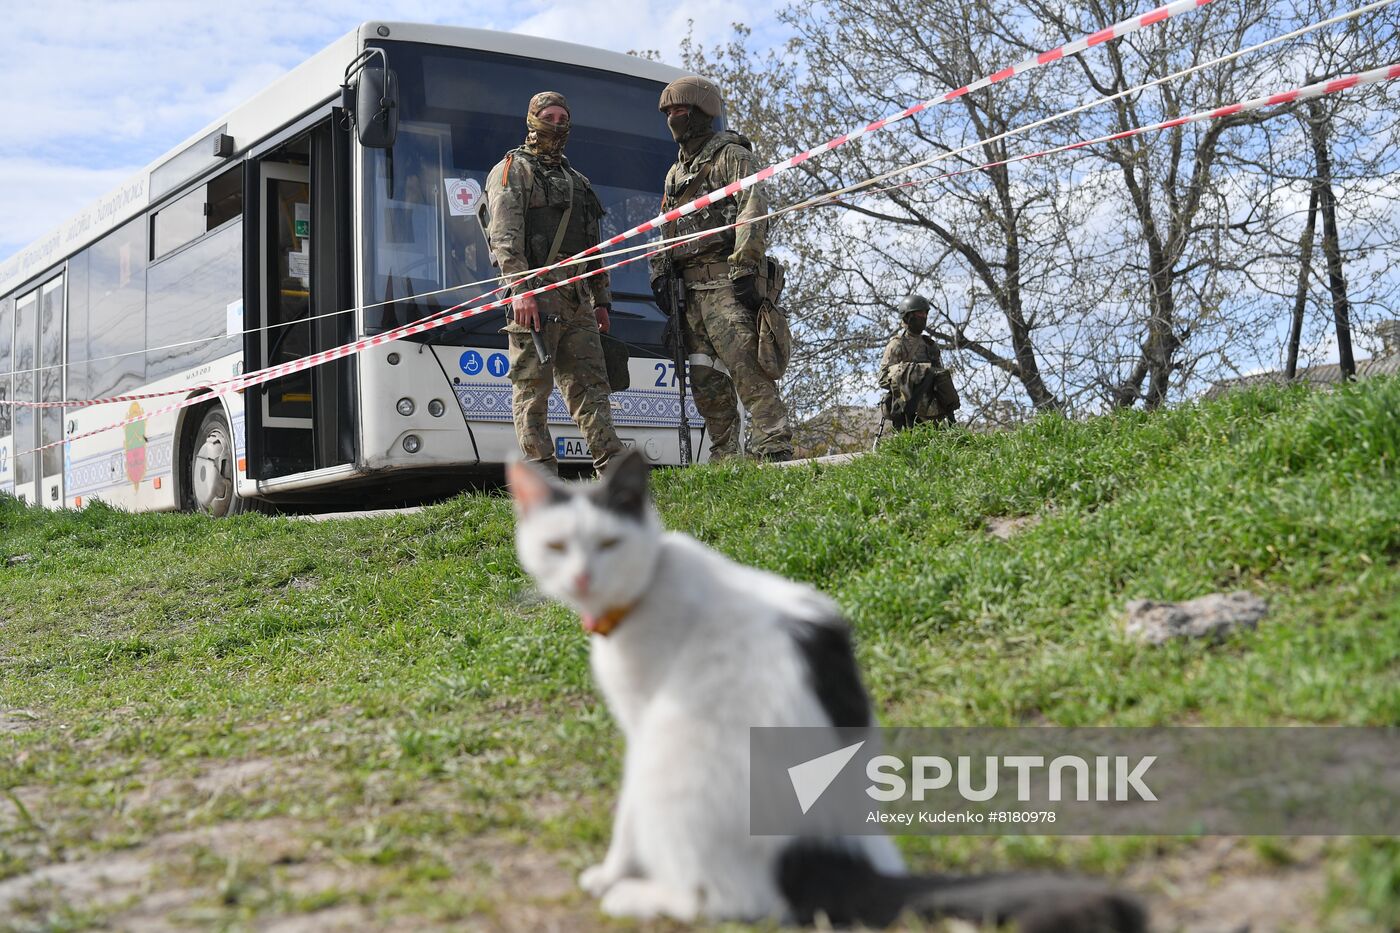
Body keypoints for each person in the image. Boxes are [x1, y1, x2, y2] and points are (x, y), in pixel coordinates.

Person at [648, 76, 794, 463]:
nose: (672, 119)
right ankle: (725, 454)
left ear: (700, 111)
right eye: (667, 113)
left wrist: (746, 265)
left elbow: (753, 207)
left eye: (679, 111)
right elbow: (664, 224)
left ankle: (772, 444)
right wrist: (659, 273)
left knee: (747, 365)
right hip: (689, 292)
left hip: (726, 283)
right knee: (704, 378)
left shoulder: (731, 155)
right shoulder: (675, 174)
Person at [483, 91, 623, 474]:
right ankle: (542, 475)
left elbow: (593, 246)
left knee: (591, 386)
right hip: (537, 295)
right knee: (533, 391)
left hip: (577, 297)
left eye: (563, 117)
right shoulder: (513, 170)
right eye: (549, 116)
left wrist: (601, 301)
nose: (557, 124)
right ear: (532, 119)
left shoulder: (579, 181)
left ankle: (611, 468)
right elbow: (504, 236)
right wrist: (520, 290)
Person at [878, 295, 960, 430]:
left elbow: (939, 377)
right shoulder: (897, 345)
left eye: (925, 313)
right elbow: (882, 379)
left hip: (932, 412)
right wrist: (909, 374)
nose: (923, 316)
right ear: (908, 316)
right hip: (905, 410)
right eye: (919, 313)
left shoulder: (930, 346)